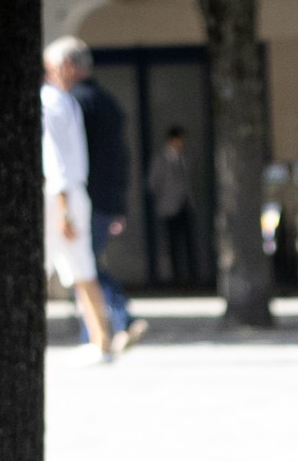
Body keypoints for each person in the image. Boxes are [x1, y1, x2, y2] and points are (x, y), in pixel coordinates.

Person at [68, 43, 147, 355]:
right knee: (83, 266)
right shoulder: (108, 104)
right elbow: (121, 159)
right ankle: (99, 331)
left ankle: (116, 322)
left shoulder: (74, 104)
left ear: (68, 67)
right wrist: (119, 205)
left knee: (82, 267)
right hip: (104, 200)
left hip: (83, 199)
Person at [41, 36, 114, 363]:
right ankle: (102, 339)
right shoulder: (66, 101)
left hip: (61, 195)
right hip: (72, 194)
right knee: (83, 270)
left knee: (63, 268)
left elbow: (55, 160)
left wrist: (62, 209)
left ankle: (101, 340)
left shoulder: (52, 102)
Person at [148, 127, 197, 285]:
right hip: (169, 208)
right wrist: (163, 198)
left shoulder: (185, 158)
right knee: (172, 243)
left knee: (188, 241)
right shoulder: (161, 159)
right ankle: (176, 277)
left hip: (185, 205)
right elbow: (152, 183)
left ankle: (190, 275)